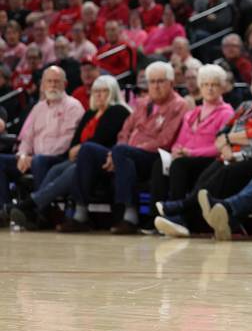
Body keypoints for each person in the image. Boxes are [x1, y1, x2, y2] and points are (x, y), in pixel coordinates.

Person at [59, 61, 188, 234]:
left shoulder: (179, 105)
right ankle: (80, 213)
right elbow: (124, 131)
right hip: (125, 154)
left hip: (153, 156)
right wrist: (115, 153)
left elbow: (166, 139)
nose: (155, 86)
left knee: (122, 152)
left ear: (171, 83)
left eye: (160, 81)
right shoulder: (142, 103)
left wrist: (131, 149)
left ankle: (129, 216)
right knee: (88, 149)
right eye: (152, 81)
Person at [155, 66, 252, 237]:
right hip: (229, 155)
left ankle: (181, 210)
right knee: (206, 177)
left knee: (222, 175)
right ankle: (181, 218)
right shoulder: (244, 106)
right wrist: (227, 146)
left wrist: (228, 139)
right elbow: (221, 133)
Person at [10, 75, 130, 230]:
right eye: (96, 91)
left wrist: (80, 148)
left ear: (113, 92)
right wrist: (75, 148)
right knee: (55, 170)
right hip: (82, 157)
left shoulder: (118, 111)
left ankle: (32, 204)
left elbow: (102, 138)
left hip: (105, 159)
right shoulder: (90, 113)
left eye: (104, 91)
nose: (99, 95)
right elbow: (75, 139)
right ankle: (40, 212)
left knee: (75, 168)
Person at [151, 64, 234, 234]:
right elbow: (179, 141)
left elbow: (219, 147)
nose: (209, 89)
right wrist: (176, 150)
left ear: (222, 88)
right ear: (200, 87)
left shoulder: (226, 112)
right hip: (187, 158)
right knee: (161, 163)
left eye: (214, 85)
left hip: (210, 160)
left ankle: (178, 216)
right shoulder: (192, 113)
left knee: (180, 165)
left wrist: (190, 153)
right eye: (205, 84)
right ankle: (156, 218)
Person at [0, 66, 84, 216]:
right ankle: (5, 210)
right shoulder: (38, 107)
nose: (52, 85)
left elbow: (67, 140)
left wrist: (33, 158)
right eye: (49, 81)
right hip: (33, 158)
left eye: (56, 82)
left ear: (65, 84)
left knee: (40, 160)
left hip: (58, 158)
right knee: (1, 160)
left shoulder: (73, 106)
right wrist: (23, 155)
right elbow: (27, 138)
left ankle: (39, 213)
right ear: (43, 85)